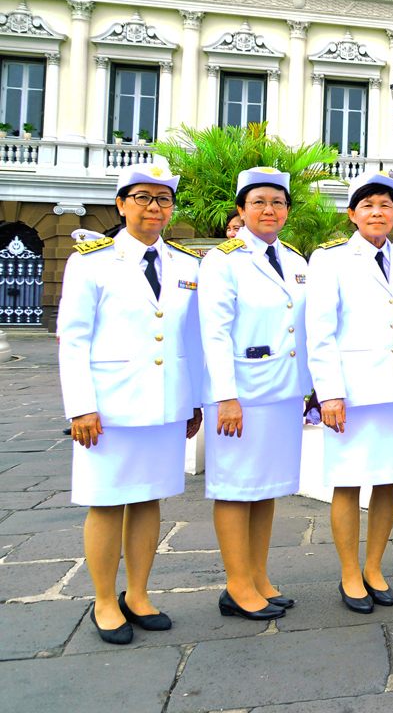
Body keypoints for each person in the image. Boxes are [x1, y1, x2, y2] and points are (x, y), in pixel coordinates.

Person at [57, 165, 204, 644]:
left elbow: (191, 338)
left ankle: (137, 594)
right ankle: (104, 600)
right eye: (142, 197)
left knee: (148, 498)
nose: (154, 207)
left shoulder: (186, 263)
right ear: (121, 204)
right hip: (109, 408)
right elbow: (73, 339)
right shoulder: (91, 262)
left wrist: (194, 400)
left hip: (165, 404)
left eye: (163, 199)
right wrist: (81, 406)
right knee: (105, 502)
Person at [197, 167, 309, 623]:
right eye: (259, 202)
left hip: (283, 391)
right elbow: (215, 333)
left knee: (266, 488)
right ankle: (236, 585)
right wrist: (225, 396)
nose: (269, 210)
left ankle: (259, 577)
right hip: (240, 395)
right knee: (235, 487)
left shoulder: (296, 260)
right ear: (241, 210)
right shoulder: (222, 260)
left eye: (278, 202)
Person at [307, 171, 393, 613]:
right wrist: (329, 392)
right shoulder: (329, 259)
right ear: (352, 214)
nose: (377, 212)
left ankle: (374, 567)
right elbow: (320, 331)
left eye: (385, 205)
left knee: (388, 479)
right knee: (347, 482)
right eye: (367, 205)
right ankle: (350, 573)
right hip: (351, 393)